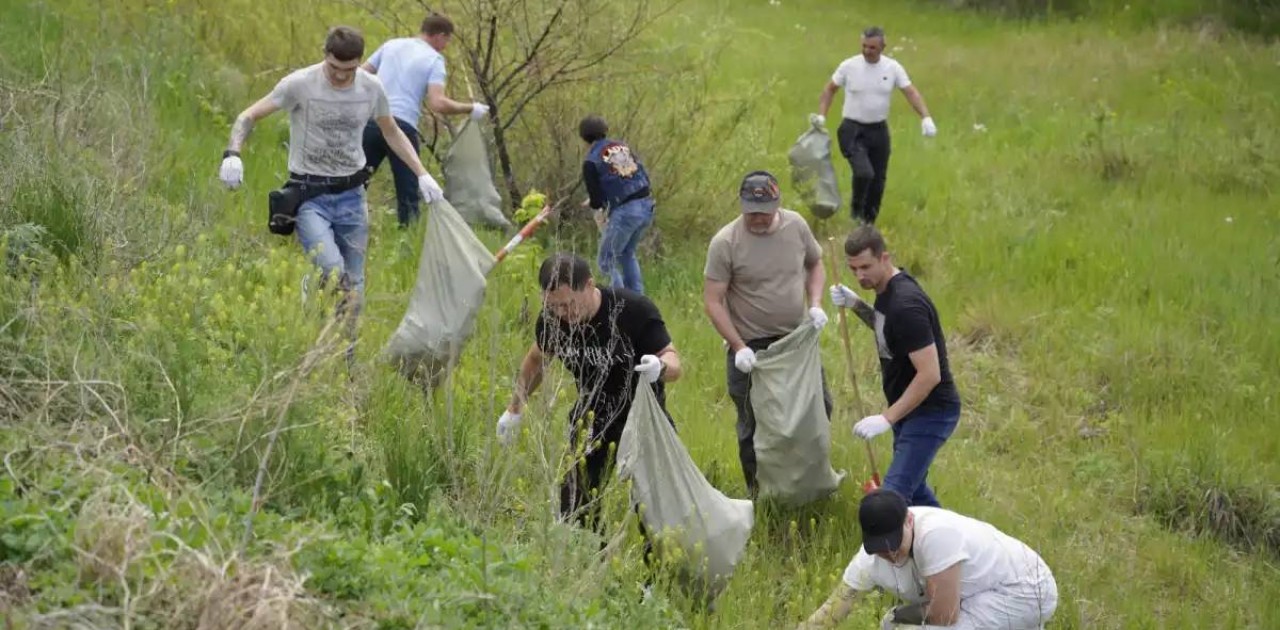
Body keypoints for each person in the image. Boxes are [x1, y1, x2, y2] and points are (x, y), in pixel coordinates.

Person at [218, 25, 444, 315]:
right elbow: (248, 115)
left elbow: (392, 132)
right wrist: (232, 153)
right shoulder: (300, 84)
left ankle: (345, 354)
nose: (340, 75)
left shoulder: (371, 88)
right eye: (334, 67)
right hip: (309, 195)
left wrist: (422, 173)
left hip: (352, 196)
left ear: (359, 62)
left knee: (355, 286)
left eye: (348, 70)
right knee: (334, 272)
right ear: (325, 55)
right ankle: (314, 285)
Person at [496, 252, 682, 535]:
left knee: (653, 506)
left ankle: (654, 577)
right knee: (575, 501)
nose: (564, 313)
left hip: (642, 417)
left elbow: (675, 363)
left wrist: (660, 367)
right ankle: (588, 558)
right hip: (593, 417)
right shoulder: (552, 321)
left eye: (569, 303)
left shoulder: (632, 310)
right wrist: (514, 409)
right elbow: (537, 360)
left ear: (590, 285)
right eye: (554, 306)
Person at [703, 170, 831, 498]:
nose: (757, 218)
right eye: (751, 211)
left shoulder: (796, 226)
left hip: (796, 340)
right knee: (753, 423)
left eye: (764, 211)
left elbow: (815, 264)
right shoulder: (726, 242)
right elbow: (713, 301)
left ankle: (805, 484)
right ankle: (760, 493)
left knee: (818, 410)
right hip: (751, 349)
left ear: (778, 203)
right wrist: (738, 346)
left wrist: (815, 304)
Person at [829, 224, 960, 507]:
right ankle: (945, 544)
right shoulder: (886, 289)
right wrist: (857, 305)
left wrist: (887, 418)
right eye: (853, 269)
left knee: (893, 496)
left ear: (884, 258)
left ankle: (905, 548)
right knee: (916, 493)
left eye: (865, 267)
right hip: (910, 410)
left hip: (931, 412)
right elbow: (886, 327)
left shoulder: (906, 305)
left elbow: (930, 374)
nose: (860, 275)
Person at [796, 489, 1058, 630]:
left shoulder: (935, 535)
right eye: (879, 548)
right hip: (976, 593)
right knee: (891, 624)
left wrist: (897, 614)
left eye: (894, 543)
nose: (889, 554)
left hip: (1023, 589)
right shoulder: (869, 559)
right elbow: (832, 612)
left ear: (909, 520)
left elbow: (944, 614)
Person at [360, 13, 489, 227]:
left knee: (354, 180)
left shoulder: (392, 45)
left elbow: (360, 74)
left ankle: (334, 221)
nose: (446, 45)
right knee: (408, 190)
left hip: (372, 121)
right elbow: (437, 103)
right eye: (447, 40)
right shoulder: (434, 60)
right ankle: (408, 240)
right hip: (402, 127)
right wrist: (470, 108)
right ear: (440, 36)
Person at [816, 26, 936, 224]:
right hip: (852, 129)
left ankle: (868, 222)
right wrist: (822, 116)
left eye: (871, 48)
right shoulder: (849, 66)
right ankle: (856, 211)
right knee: (864, 173)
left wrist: (925, 117)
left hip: (878, 130)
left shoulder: (893, 68)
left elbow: (910, 92)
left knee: (878, 180)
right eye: (864, 46)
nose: (866, 51)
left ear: (882, 47)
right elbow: (829, 90)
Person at [579, 115, 655, 294]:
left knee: (605, 261)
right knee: (626, 254)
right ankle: (637, 301)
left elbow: (597, 201)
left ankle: (617, 304)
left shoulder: (590, 161)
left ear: (584, 137)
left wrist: (596, 203)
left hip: (626, 212)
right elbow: (633, 174)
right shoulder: (623, 147)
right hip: (647, 204)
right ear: (605, 130)